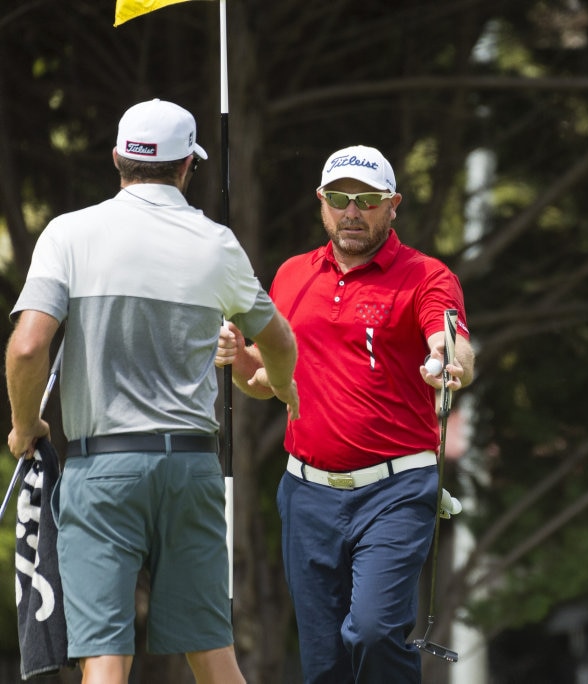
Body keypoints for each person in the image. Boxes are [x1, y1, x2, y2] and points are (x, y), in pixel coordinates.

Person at [5, 98, 300, 684]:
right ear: (188, 165)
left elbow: (27, 347)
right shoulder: (217, 243)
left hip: (103, 471)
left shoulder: (69, 233)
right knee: (214, 655)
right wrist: (278, 387)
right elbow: (281, 344)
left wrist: (24, 426)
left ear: (117, 158)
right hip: (192, 470)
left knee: (106, 660)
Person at [217, 144, 475, 683]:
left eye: (367, 199)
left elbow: (451, 344)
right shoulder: (291, 276)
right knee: (324, 663)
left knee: (375, 631)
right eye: (339, 198)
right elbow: (268, 382)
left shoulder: (425, 275)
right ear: (321, 202)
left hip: (396, 490)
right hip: (306, 494)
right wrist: (240, 360)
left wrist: (445, 361)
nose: (351, 211)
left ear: (392, 205)